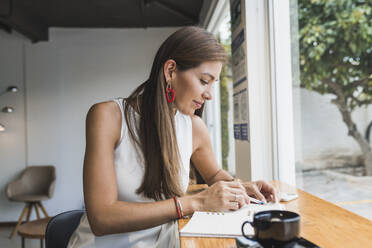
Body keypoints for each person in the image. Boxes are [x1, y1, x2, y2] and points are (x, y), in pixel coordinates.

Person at [67, 26, 277, 248]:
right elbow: (102, 218)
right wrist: (195, 202)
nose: (210, 95)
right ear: (170, 71)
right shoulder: (108, 117)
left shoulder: (195, 127)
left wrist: (240, 187)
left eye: (213, 83)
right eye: (204, 81)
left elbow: (214, 174)